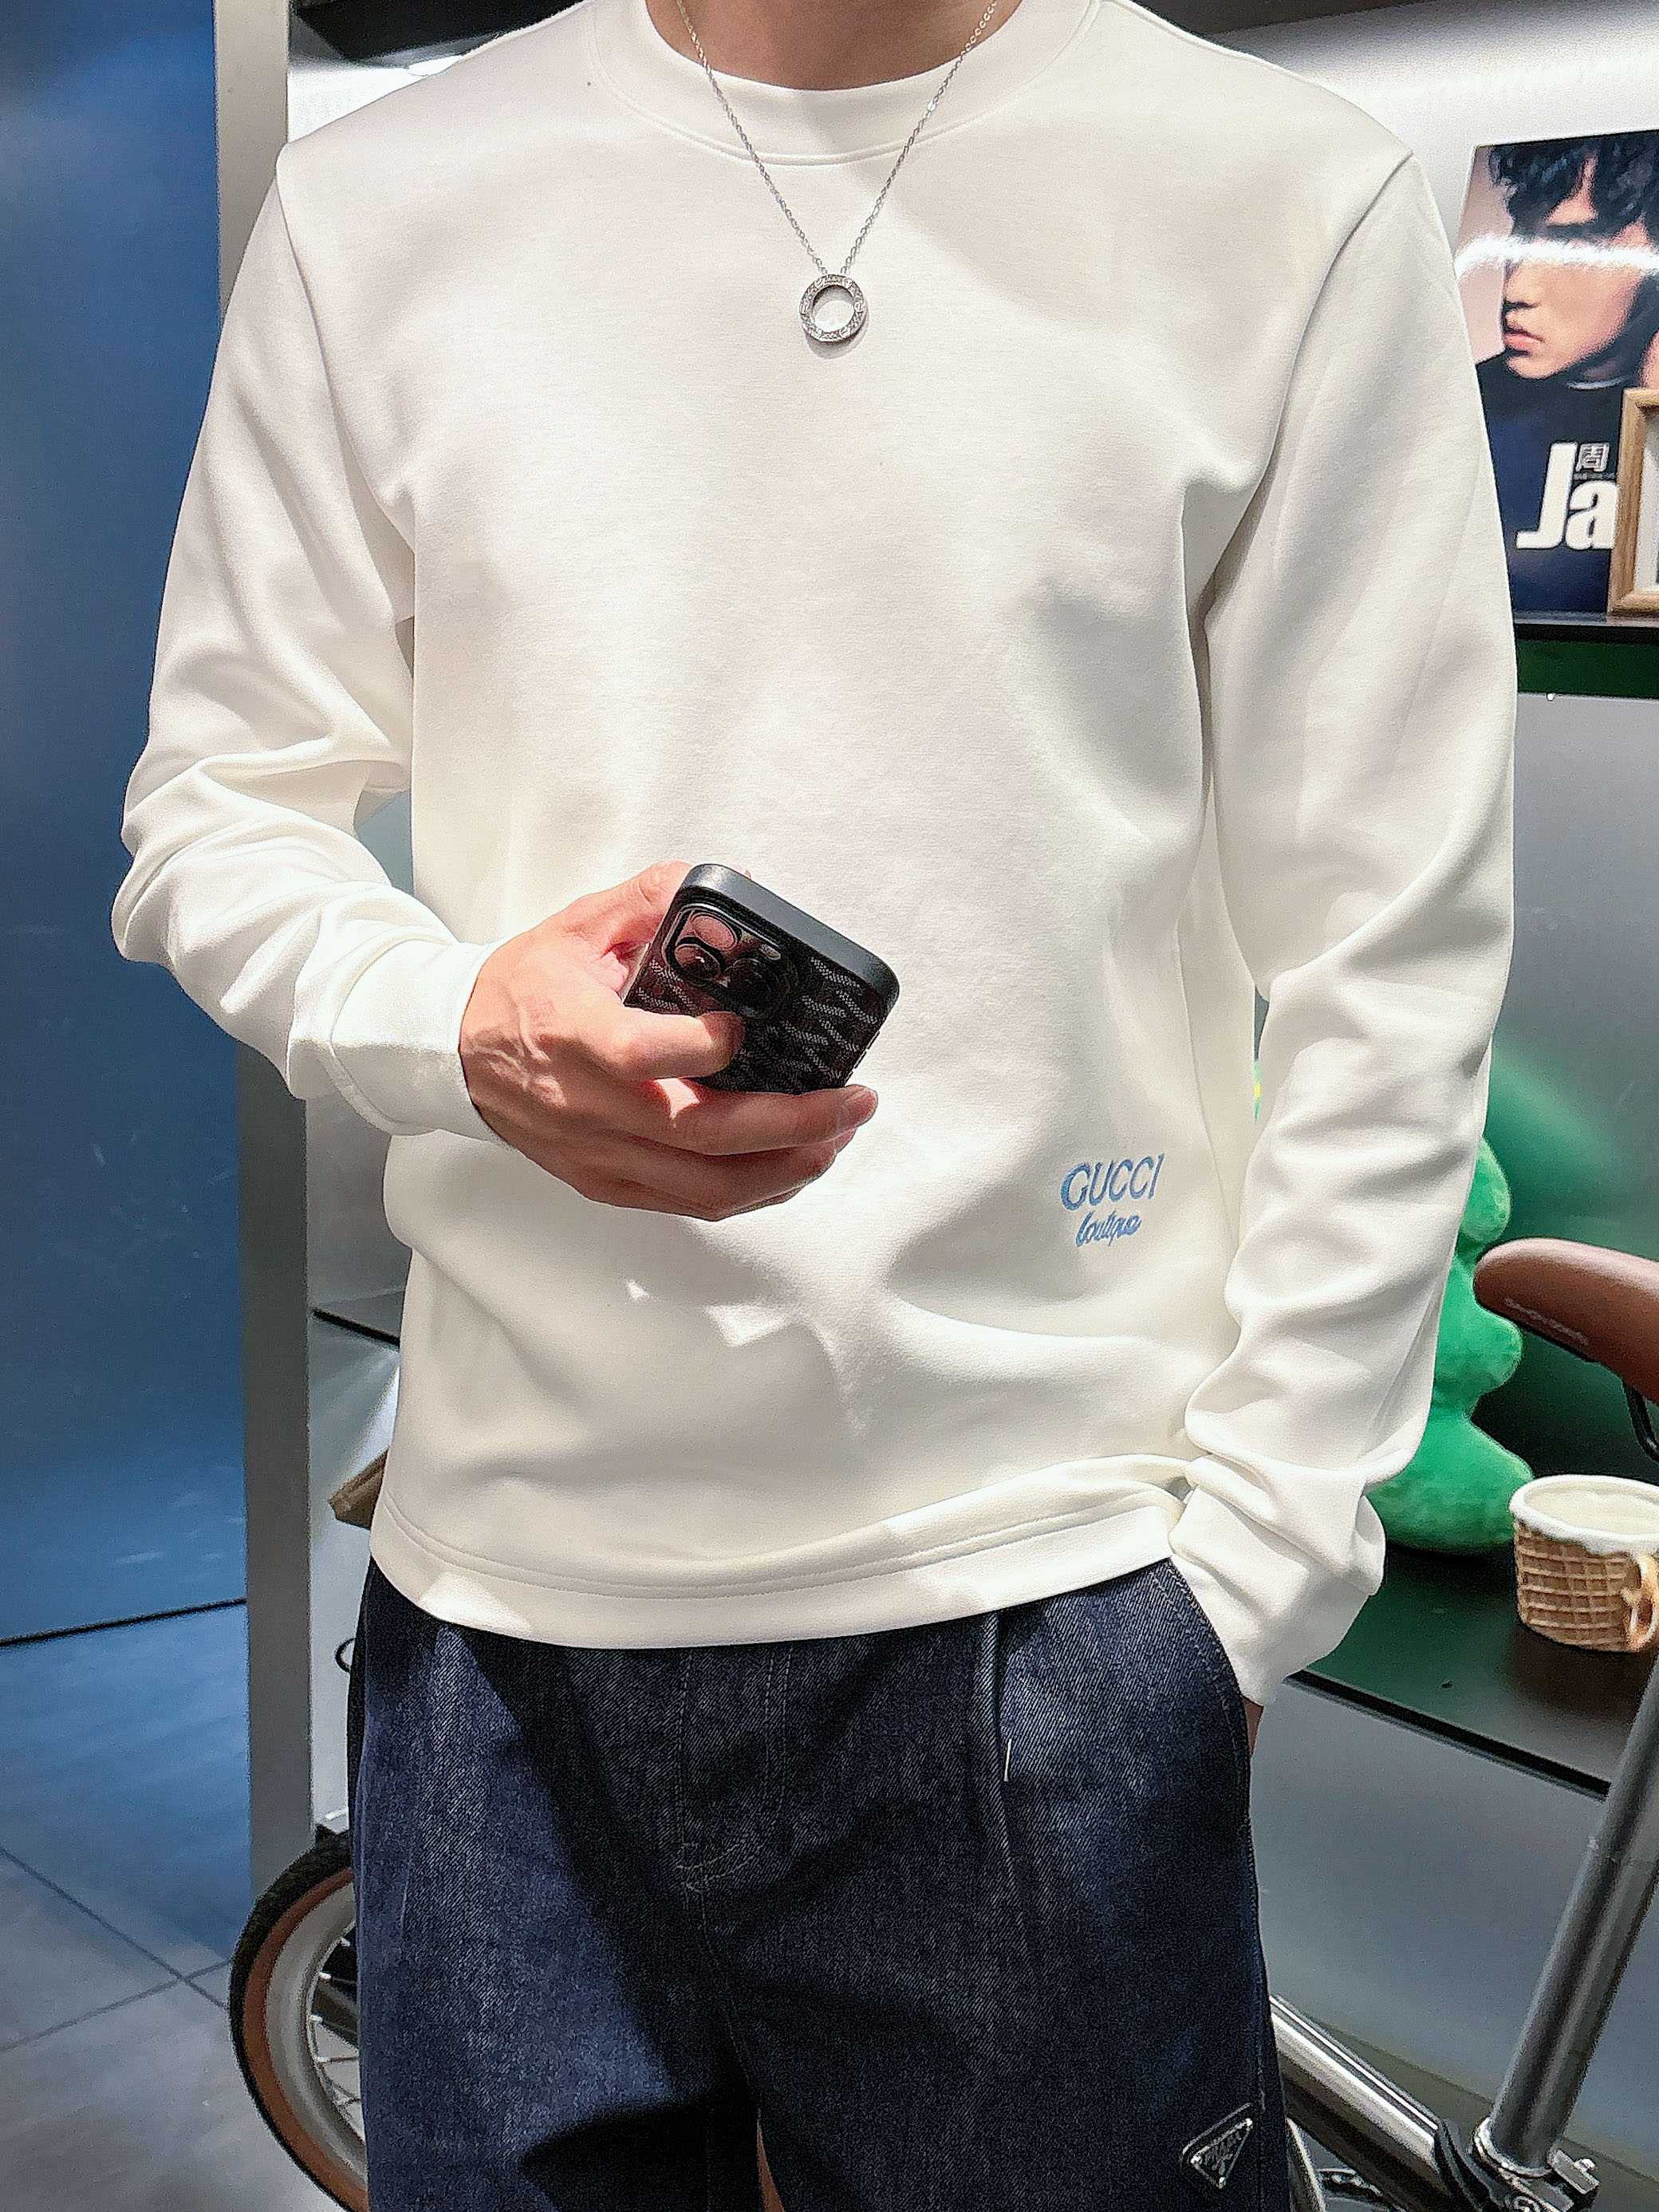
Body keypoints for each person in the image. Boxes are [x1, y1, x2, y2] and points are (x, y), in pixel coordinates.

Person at [110, 0, 1516, 2203]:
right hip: (502, 1630)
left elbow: (1391, 947)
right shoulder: (382, 201)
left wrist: (1247, 1590)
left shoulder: (1284, 197)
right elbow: (218, 807)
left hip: (1048, 1607)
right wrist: (453, 1023)